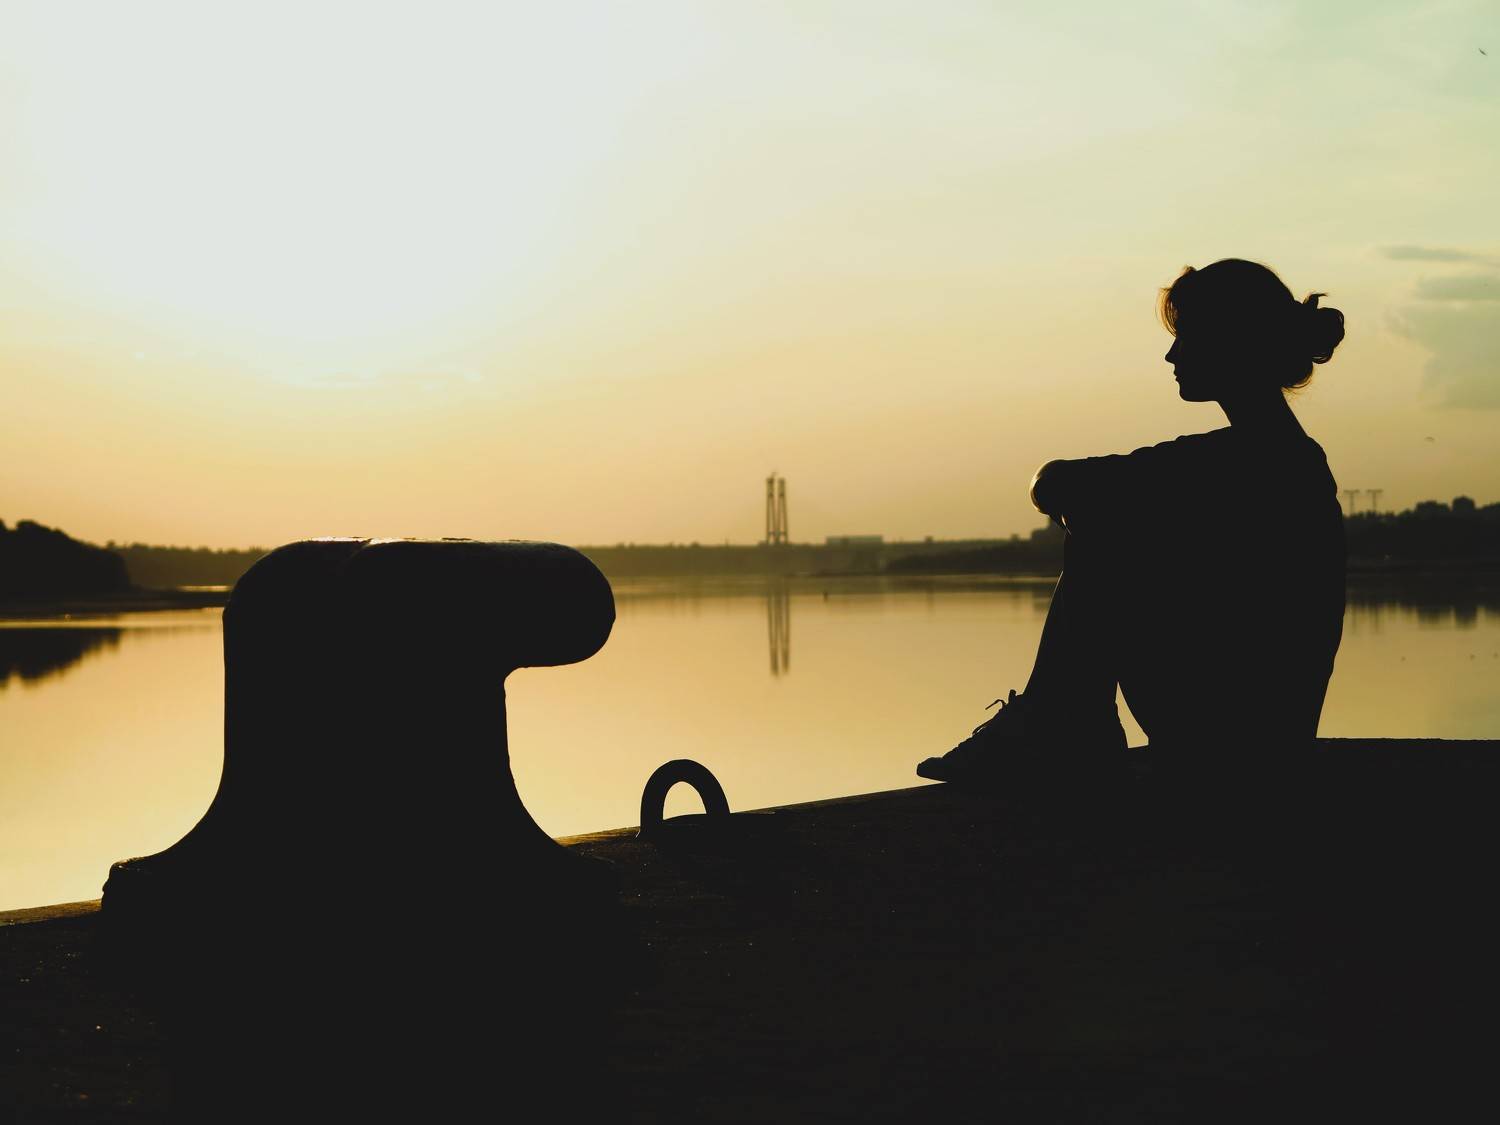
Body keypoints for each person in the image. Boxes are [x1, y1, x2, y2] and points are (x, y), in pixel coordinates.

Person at [918, 259, 1347, 782]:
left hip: (1225, 742)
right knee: (1114, 519)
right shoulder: (1291, 458)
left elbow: (1051, 483)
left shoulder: (1233, 461)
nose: (1172, 354)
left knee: (1107, 533)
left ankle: (1062, 721)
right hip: (1272, 732)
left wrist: (1091, 512)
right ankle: (1063, 719)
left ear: (1230, 343)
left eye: (1186, 336)